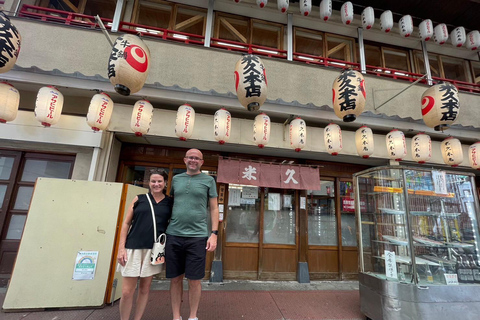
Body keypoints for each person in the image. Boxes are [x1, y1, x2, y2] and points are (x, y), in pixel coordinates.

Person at [166, 149, 219, 320]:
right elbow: (171, 203)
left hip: (197, 236)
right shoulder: (176, 179)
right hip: (174, 234)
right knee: (175, 279)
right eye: (190, 157)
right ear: (185, 160)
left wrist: (214, 234)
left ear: (202, 162)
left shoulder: (209, 180)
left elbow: (214, 208)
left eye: (197, 158)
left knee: (195, 280)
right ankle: (176, 316)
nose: (193, 160)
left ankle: (193, 316)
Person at [117, 169, 172, 320]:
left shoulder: (169, 202)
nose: (156, 184)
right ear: (149, 182)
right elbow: (126, 223)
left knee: (145, 289)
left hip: (153, 250)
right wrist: (121, 248)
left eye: (159, 181)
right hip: (132, 247)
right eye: (153, 181)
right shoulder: (139, 199)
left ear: (165, 183)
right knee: (127, 291)